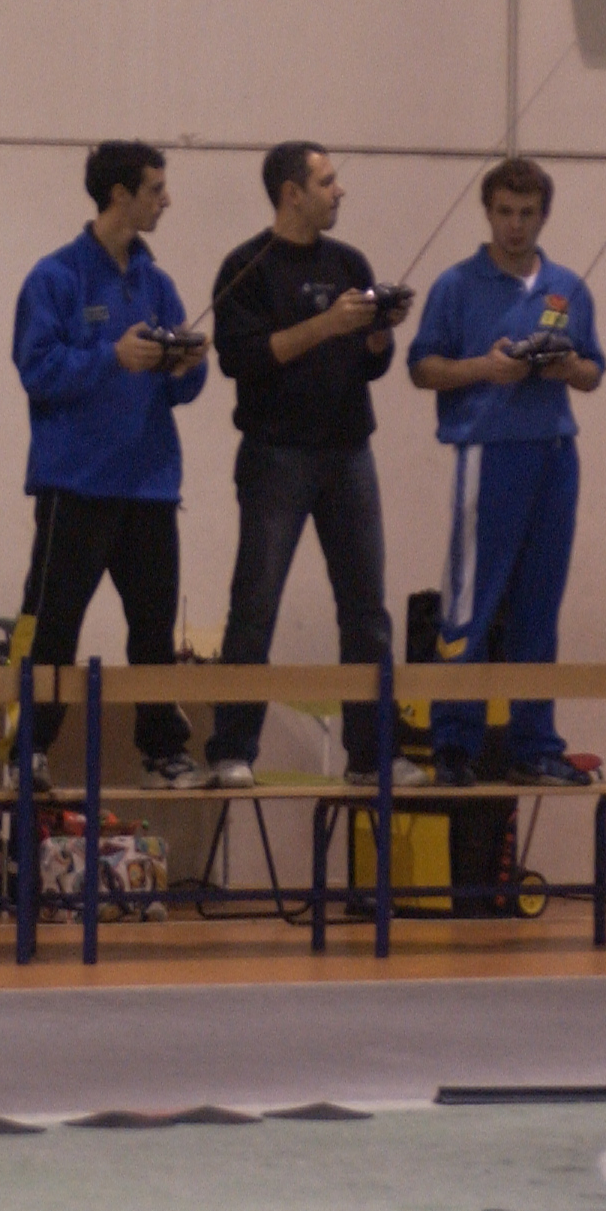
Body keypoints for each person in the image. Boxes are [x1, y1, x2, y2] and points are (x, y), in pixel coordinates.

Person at [204, 141, 414, 791]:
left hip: (350, 450)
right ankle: (233, 749)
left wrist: (378, 331)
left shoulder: (349, 262)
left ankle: (371, 755)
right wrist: (326, 325)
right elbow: (241, 358)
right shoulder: (246, 267)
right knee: (255, 604)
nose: (339, 191)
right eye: (327, 181)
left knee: (367, 610)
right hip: (276, 455)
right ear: (291, 193)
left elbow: (373, 363)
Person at [12, 140, 212, 788]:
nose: (167, 200)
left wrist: (186, 365)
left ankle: (163, 750)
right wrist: (111, 357)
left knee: (153, 631)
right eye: (156, 189)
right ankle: (25, 749)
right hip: (76, 484)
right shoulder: (55, 277)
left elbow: (183, 390)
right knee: (51, 626)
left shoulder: (158, 283)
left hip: (150, 484)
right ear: (119, 195)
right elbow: (37, 370)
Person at [407, 157, 606, 787]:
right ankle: (454, 744)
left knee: (540, 606)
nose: (515, 225)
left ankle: (534, 744)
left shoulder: (568, 287)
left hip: (555, 454)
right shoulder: (456, 284)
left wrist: (567, 367)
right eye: (504, 212)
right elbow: (422, 368)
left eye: (526, 213)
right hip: (488, 452)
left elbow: (594, 372)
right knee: (471, 601)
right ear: (488, 213)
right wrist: (484, 369)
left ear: (543, 216)